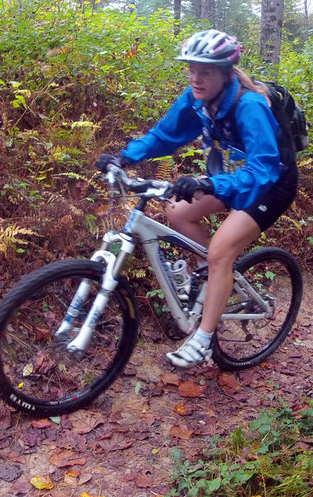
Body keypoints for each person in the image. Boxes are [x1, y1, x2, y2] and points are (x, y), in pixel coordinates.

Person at [96, 29, 298, 369]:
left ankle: (203, 339)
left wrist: (208, 183)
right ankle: (213, 278)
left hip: (271, 183)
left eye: (206, 71)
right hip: (228, 177)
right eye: (191, 69)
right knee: (177, 213)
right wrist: (123, 158)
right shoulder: (196, 98)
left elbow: (263, 167)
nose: (196, 78)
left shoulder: (248, 105)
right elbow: (165, 135)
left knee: (221, 250)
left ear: (225, 73)